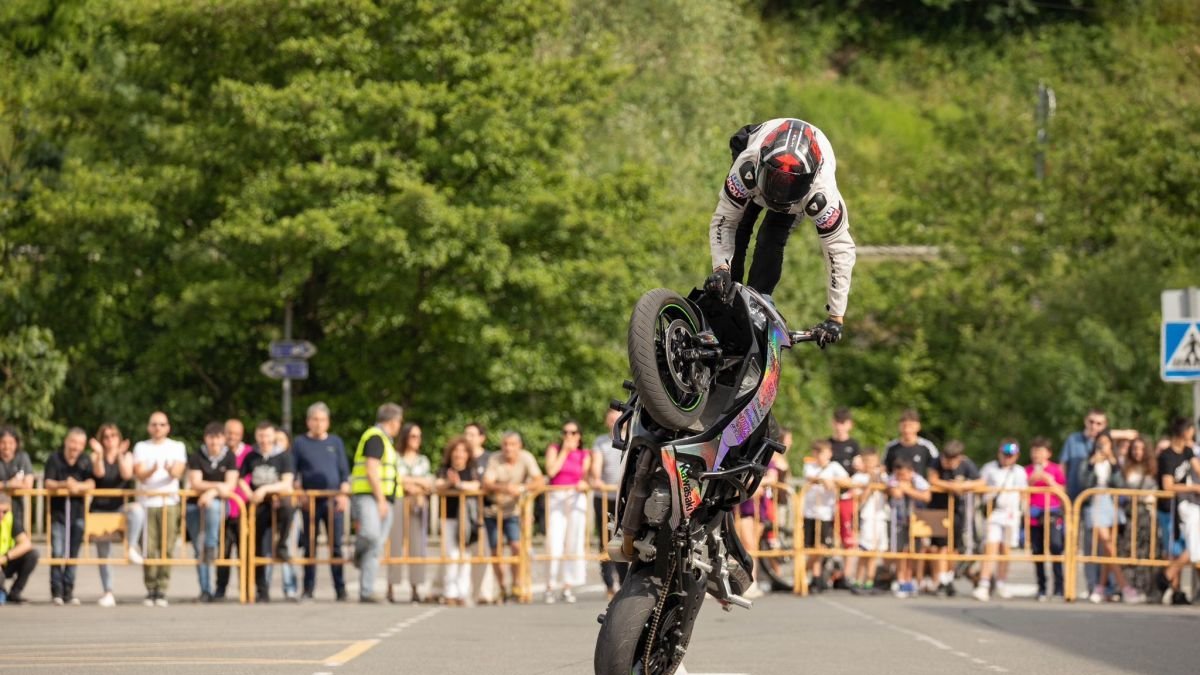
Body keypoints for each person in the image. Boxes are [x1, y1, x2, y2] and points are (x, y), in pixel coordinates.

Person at [702, 118, 855, 350]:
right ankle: (725, 302)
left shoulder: (822, 196)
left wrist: (836, 316)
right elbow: (724, 221)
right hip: (756, 180)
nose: (779, 194)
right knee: (741, 226)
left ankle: (759, 302)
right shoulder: (747, 166)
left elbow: (838, 250)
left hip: (795, 200)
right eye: (776, 182)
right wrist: (721, 269)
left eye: (788, 186)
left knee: (770, 237)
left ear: (810, 181)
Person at [292, 402, 350, 602]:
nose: (318, 423)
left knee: (336, 546)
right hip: (310, 501)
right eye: (315, 419)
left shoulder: (335, 442)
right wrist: (300, 495)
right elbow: (293, 474)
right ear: (308, 421)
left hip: (333, 501)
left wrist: (343, 494)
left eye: (322, 420)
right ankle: (308, 588)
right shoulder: (300, 443)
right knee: (310, 546)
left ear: (328, 422)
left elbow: (344, 474)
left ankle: (340, 588)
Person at [1080, 430, 1143, 603]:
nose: (1102, 446)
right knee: (1107, 545)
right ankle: (1124, 586)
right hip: (1094, 502)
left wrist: (1113, 463)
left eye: (1106, 443)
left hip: (1111, 503)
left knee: (1110, 548)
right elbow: (1083, 482)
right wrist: (1092, 464)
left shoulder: (1114, 463)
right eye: (1100, 443)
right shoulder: (1088, 461)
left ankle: (1100, 587)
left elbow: (1121, 484)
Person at [133, 411, 188, 607]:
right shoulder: (141, 446)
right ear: (149, 427)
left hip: (169, 503)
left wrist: (170, 470)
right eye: (154, 424)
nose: (158, 428)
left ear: (168, 427)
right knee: (149, 548)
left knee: (167, 547)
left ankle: (162, 589)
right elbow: (139, 474)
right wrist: (153, 470)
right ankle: (150, 589)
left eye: (162, 424)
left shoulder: (177, 446)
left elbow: (178, 472)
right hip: (148, 503)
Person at [350, 403, 404, 603]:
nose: (399, 426)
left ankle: (366, 591)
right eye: (399, 421)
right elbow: (371, 470)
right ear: (392, 421)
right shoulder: (375, 437)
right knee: (370, 535)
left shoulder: (385, 440)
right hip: (370, 496)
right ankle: (357, 553)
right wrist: (381, 500)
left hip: (384, 498)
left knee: (377, 546)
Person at [483, 431, 544, 602]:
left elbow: (539, 481)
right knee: (496, 550)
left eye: (512, 444)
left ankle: (516, 583)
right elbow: (487, 483)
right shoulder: (495, 459)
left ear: (519, 446)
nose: (508, 448)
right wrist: (505, 488)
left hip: (514, 511)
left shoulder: (526, 458)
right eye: (505, 445)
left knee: (516, 546)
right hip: (493, 510)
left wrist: (522, 488)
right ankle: (502, 586)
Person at [240, 421, 296, 602]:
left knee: (289, 507)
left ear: (274, 436)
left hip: (277, 502)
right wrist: (250, 494)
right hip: (258, 506)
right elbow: (240, 478)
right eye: (261, 436)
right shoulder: (251, 456)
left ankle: (282, 543)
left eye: (268, 436)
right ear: (256, 436)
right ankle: (261, 589)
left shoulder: (283, 456)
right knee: (258, 547)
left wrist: (265, 490)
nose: (264, 440)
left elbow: (287, 482)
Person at [185, 422, 238, 603]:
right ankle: (205, 589)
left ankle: (212, 543)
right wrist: (216, 487)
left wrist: (211, 493)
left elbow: (230, 485)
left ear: (223, 439)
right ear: (205, 439)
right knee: (198, 548)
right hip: (195, 506)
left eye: (218, 438)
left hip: (218, 505)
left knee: (214, 507)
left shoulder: (229, 456)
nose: (214, 442)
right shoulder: (197, 456)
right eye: (211, 438)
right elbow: (195, 483)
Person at [88, 423, 140, 606]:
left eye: (113, 436)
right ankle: (108, 591)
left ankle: (131, 547)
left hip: (119, 508)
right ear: (101, 440)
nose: (110, 440)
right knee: (104, 554)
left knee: (137, 510)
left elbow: (126, 475)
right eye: (106, 437)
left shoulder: (126, 456)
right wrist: (101, 454)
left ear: (119, 438)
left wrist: (119, 455)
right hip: (99, 509)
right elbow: (99, 472)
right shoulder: (95, 456)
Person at [44, 428, 95, 605]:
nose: (76, 447)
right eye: (73, 442)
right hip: (58, 514)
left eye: (80, 444)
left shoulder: (85, 460)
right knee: (58, 552)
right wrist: (64, 484)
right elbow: (48, 482)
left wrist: (77, 487)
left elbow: (91, 483)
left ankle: (69, 590)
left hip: (77, 513)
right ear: (66, 441)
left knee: (73, 553)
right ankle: (56, 590)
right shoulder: (54, 458)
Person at [972, 440, 1028, 602]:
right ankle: (984, 583)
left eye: (1010, 456)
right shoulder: (990, 468)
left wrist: (1024, 513)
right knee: (991, 548)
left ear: (1016, 456)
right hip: (994, 513)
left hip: (1011, 515)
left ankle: (1001, 582)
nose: (1007, 458)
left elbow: (1024, 493)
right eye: (1005, 455)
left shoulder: (1019, 472)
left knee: (1005, 549)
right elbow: (981, 485)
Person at [927, 440, 982, 597]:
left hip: (958, 510)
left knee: (954, 547)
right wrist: (951, 486)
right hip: (938, 509)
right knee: (940, 547)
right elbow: (933, 479)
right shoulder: (937, 461)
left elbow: (980, 481)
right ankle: (941, 579)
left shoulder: (966, 464)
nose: (948, 464)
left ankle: (948, 577)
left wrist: (964, 485)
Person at [544, 420, 591, 604]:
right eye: (565, 432)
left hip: (575, 497)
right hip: (556, 495)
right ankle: (550, 584)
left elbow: (586, 477)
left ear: (579, 435)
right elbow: (551, 471)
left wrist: (584, 483)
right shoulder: (554, 449)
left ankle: (568, 585)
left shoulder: (585, 454)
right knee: (554, 540)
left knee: (574, 540)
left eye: (573, 433)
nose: (569, 436)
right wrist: (565, 451)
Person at [1155, 417, 1200, 605]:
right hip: (1173, 507)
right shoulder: (1166, 455)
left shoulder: (1188, 451)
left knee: (1190, 545)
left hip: (1186, 504)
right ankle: (1170, 581)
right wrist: (1194, 489)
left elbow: (1198, 469)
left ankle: (1169, 579)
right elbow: (1167, 485)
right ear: (1185, 431)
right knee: (1179, 547)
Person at [390, 423, 434, 603]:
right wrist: (415, 482)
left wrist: (412, 483)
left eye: (419, 436)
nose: (416, 440)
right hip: (399, 502)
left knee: (417, 545)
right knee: (394, 544)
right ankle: (391, 586)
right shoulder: (395, 458)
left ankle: (415, 586)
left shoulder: (423, 460)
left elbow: (428, 482)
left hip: (417, 503)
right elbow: (395, 478)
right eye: (413, 436)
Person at [214, 418, 255, 602]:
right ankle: (220, 589)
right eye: (229, 433)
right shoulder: (218, 453)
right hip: (224, 509)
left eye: (236, 434)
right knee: (223, 552)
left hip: (244, 510)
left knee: (245, 553)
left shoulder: (250, 453)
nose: (233, 437)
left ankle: (246, 589)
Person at [436, 436, 480, 606]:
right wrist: (449, 482)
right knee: (452, 554)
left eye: (463, 451)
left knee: (465, 554)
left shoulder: (471, 470)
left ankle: (462, 591)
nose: (459, 454)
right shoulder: (445, 469)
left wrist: (460, 485)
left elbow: (476, 485)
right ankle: (450, 591)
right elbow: (437, 484)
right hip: (449, 516)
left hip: (467, 518)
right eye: (456, 451)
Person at [802, 439, 850, 592]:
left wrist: (832, 481)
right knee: (811, 547)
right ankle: (813, 576)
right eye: (818, 453)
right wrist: (823, 480)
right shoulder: (810, 465)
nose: (820, 456)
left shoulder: (834, 467)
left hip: (825, 513)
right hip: (810, 511)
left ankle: (810, 574)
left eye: (823, 453)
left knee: (820, 546)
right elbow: (810, 477)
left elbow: (847, 480)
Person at [590, 408, 627, 600]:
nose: (614, 422)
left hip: (624, 496)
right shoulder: (601, 442)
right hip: (604, 497)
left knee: (623, 539)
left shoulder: (632, 437)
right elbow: (595, 466)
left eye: (617, 419)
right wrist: (597, 479)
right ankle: (609, 584)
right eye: (611, 419)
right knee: (605, 540)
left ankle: (623, 582)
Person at [1025, 437, 1066, 601]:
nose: (1037, 454)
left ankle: (1059, 587)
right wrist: (1031, 480)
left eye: (1040, 451)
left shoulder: (1055, 469)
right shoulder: (1027, 471)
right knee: (1037, 551)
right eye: (1034, 451)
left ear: (1048, 453)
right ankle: (1041, 587)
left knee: (1056, 548)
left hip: (1052, 513)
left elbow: (1063, 489)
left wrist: (1050, 481)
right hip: (1034, 515)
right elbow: (1021, 490)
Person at [1118, 436, 1158, 601]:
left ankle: (1145, 588)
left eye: (1141, 449)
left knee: (1144, 551)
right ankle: (1129, 588)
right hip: (1128, 514)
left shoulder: (1152, 469)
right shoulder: (1125, 469)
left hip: (1145, 514)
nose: (1138, 452)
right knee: (1127, 550)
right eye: (1135, 448)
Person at [887, 459, 931, 598]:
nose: (902, 478)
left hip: (916, 520)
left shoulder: (919, 480)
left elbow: (926, 496)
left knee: (914, 551)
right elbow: (896, 493)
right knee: (901, 551)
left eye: (905, 474)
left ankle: (910, 579)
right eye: (899, 475)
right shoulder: (892, 479)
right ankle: (901, 579)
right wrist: (902, 488)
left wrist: (908, 489)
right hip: (899, 520)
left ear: (911, 472)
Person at [462, 421, 493, 604]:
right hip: (465, 511)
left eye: (472, 434)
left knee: (483, 553)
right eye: (466, 434)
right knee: (465, 553)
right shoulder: (462, 456)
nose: (468, 438)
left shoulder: (488, 458)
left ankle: (484, 592)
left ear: (482, 438)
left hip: (485, 511)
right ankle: (464, 591)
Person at [850, 449, 888, 593]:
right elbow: (860, 500)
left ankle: (870, 581)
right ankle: (858, 579)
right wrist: (870, 484)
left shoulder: (883, 477)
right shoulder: (858, 478)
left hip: (880, 517)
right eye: (869, 463)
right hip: (867, 517)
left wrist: (881, 481)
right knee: (865, 551)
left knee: (874, 552)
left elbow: (887, 495)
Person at [829, 408, 862, 577]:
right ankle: (833, 572)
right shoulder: (828, 444)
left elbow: (858, 469)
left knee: (848, 535)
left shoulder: (854, 445)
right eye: (837, 422)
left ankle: (847, 574)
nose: (840, 426)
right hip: (828, 498)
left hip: (847, 497)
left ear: (849, 425)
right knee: (829, 536)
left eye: (843, 423)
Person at [0, 492, 38, 605]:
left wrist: (5, 557)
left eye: (5, 511)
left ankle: (14, 593)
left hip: (4, 561)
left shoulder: (10, 520)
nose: (1, 515)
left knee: (32, 555)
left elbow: (26, 544)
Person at [0, 426, 35, 527]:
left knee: (19, 540)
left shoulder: (23, 457)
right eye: (3, 442)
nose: (7, 446)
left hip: (16, 508)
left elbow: (28, 485)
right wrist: (9, 484)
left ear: (16, 444)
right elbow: (17, 483)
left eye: (10, 443)